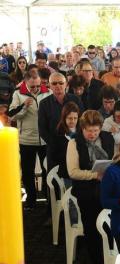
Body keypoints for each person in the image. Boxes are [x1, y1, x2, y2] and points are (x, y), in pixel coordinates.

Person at [66, 110, 114, 264]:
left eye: (96, 130)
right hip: (86, 191)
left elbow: (114, 158)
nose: (93, 134)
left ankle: (111, 259)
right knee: (92, 227)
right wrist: (95, 175)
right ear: (82, 129)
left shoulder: (107, 138)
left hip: (106, 188)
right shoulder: (74, 143)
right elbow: (72, 172)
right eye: (89, 131)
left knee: (109, 226)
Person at [8, 71, 51, 209]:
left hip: (45, 139)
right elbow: (12, 116)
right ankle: (31, 201)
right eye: (32, 87)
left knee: (47, 170)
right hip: (26, 139)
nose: (36, 89)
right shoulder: (17, 94)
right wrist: (24, 106)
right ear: (25, 83)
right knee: (27, 172)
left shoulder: (47, 92)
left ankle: (48, 198)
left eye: (38, 85)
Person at [38, 72, 83, 171]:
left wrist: (77, 141)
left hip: (75, 146)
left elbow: (82, 122)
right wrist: (54, 144)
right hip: (55, 150)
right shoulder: (44, 104)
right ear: (49, 85)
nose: (58, 86)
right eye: (54, 83)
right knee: (55, 182)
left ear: (66, 84)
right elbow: (42, 129)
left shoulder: (75, 99)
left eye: (60, 83)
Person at [53, 101, 80, 185]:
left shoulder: (81, 131)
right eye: (69, 118)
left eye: (75, 118)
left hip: (81, 171)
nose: (72, 121)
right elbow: (54, 156)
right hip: (66, 172)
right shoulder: (58, 133)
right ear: (64, 118)